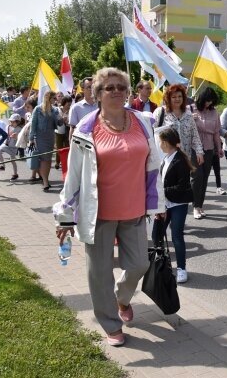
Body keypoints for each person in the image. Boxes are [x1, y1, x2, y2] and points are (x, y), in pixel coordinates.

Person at [53, 67, 164, 347]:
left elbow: (153, 166)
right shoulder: (86, 129)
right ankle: (110, 324)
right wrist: (64, 216)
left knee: (140, 263)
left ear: (128, 92)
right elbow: (75, 175)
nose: (116, 91)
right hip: (98, 213)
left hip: (135, 208)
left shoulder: (143, 121)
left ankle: (122, 298)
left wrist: (157, 202)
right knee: (99, 272)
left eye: (121, 87)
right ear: (97, 94)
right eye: (109, 87)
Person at [152, 128, 195, 284]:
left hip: (178, 204)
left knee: (176, 236)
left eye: (160, 142)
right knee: (157, 234)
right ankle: (161, 264)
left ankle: (182, 268)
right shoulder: (166, 158)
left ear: (166, 142)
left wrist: (162, 192)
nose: (159, 145)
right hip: (165, 204)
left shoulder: (180, 161)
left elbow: (182, 187)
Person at [153, 84, 205, 212]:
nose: (177, 99)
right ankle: (163, 212)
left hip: (183, 158)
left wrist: (199, 152)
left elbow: (195, 136)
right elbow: (152, 132)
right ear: (168, 98)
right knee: (167, 186)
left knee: (181, 187)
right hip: (165, 158)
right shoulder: (161, 112)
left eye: (180, 96)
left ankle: (178, 215)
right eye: (174, 96)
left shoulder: (188, 115)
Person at [192, 87, 222, 219]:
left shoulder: (214, 113)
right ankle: (194, 206)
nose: (208, 104)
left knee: (204, 177)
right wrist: (190, 120)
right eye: (206, 101)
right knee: (197, 177)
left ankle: (200, 206)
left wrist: (219, 148)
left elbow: (216, 132)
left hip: (209, 148)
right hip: (194, 148)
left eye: (211, 102)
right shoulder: (191, 109)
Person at [29, 89, 61, 192]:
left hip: (50, 135)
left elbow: (59, 124)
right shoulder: (38, 109)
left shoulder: (55, 110)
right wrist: (31, 138)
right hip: (40, 136)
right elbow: (33, 124)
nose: (55, 100)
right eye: (54, 98)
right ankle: (45, 181)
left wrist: (61, 118)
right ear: (49, 98)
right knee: (44, 159)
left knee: (47, 159)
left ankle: (44, 179)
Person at [0, 113, 23, 181]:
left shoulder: (20, 129)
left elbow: (22, 139)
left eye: (13, 122)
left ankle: (15, 174)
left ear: (18, 122)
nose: (11, 123)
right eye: (11, 121)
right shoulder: (8, 126)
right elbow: (5, 134)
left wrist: (16, 137)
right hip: (6, 144)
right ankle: (2, 165)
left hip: (14, 147)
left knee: (12, 160)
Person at [54, 95, 72, 171]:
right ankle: (57, 162)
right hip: (58, 131)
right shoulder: (57, 110)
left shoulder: (71, 110)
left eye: (70, 104)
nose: (69, 106)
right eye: (68, 104)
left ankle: (66, 162)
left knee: (67, 146)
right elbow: (55, 121)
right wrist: (62, 119)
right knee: (59, 147)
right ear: (64, 103)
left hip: (68, 131)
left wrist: (68, 122)